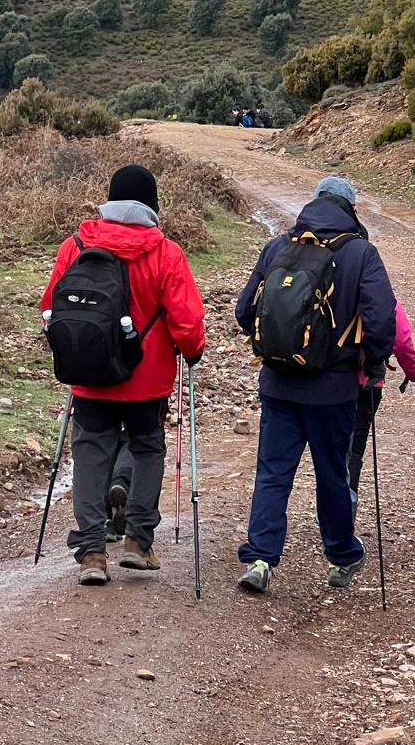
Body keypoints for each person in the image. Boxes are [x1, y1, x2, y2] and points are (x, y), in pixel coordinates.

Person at [42, 164, 206, 585]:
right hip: (146, 382)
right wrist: (193, 351)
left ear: (110, 200)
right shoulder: (165, 253)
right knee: (147, 448)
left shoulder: (75, 245)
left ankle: (92, 554)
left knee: (90, 454)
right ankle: (137, 542)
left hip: (89, 375)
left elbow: (50, 307)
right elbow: (187, 323)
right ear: (153, 205)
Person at [233, 175, 396, 594]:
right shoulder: (360, 252)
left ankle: (260, 558)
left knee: (273, 473)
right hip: (334, 389)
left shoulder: (279, 246)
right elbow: (381, 320)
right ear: (351, 209)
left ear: (314, 202)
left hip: (278, 384)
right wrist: (372, 361)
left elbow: (244, 311)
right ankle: (341, 555)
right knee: (332, 475)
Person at [349, 298, 415, 511]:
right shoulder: (379, 294)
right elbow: (401, 340)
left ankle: (327, 514)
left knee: (329, 449)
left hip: (326, 382)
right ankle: (341, 519)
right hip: (365, 383)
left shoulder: (330, 285)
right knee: (353, 450)